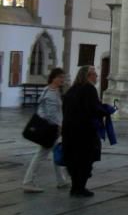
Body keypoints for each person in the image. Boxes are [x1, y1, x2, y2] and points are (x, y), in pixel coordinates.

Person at [61, 65, 108, 197]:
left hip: (70, 131)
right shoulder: (89, 89)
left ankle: (75, 187)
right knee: (85, 160)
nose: (97, 76)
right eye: (94, 74)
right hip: (84, 132)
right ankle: (80, 188)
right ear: (88, 76)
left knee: (74, 160)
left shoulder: (72, 89)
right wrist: (106, 110)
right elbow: (93, 109)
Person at [22, 68, 70, 193]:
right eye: (60, 77)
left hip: (51, 128)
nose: (62, 79)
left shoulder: (51, 90)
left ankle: (61, 180)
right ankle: (28, 182)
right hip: (50, 129)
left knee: (56, 152)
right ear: (53, 78)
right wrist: (59, 127)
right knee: (41, 155)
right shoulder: (51, 93)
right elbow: (50, 114)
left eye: (63, 77)